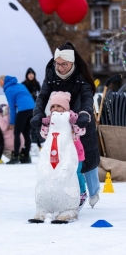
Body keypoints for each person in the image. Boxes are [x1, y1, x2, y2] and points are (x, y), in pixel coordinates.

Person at [30, 42, 100, 208]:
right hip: (60, 123)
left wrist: (84, 114)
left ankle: (94, 191)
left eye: (64, 64)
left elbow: (87, 98)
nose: (60, 67)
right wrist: (38, 114)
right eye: (58, 63)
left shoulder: (80, 77)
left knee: (86, 158)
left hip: (81, 121)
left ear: (72, 63)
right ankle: (73, 192)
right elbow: (42, 97)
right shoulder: (51, 75)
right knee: (66, 159)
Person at [39, 91, 87, 210]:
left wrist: (76, 123)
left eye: (59, 106)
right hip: (58, 154)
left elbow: (82, 132)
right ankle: (60, 195)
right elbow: (44, 135)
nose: (55, 109)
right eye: (53, 106)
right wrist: (45, 126)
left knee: (76, 173)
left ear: (65, 107)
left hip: (75, 152)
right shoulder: (51, 119)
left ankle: (81, 193)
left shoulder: (71, 117)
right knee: (58, 174)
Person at [0, 75, 35, 164]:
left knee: (17, 133)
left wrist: (12, 122)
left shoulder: (8, 90)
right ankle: (26, 156)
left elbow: (12, 108)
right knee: (26, 133)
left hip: (23, 109)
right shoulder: (20, 85)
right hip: (33, 109)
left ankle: (15, 156)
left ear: (3, 82)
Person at [21, 67, 45, 151]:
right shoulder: (23, 84)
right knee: (30, 127)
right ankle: (33, 144)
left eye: (32, 74)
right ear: (27, 75)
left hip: (36, 107)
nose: (31, 76)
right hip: (27, 107)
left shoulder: (36, 83)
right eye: (29, 74)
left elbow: (42, 94)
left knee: (38, 126)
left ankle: (42, 143)